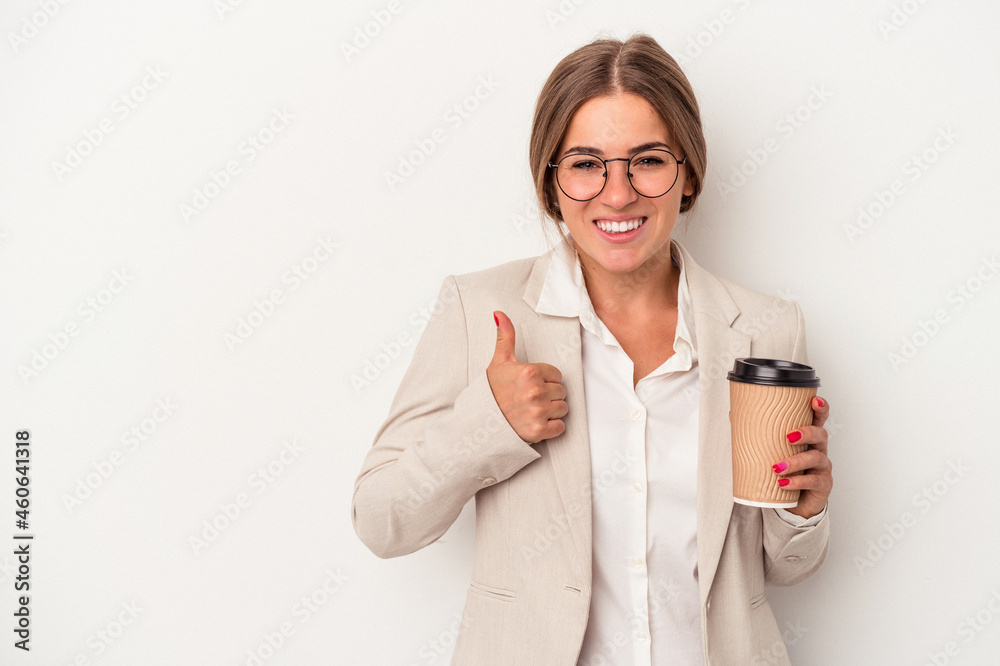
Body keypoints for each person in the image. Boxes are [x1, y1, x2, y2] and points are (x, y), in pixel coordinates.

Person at [352, 33, 832, 665]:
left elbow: (782, 568)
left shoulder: (766, 329)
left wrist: (804, 510)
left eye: (648, 160)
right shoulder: (480, 312)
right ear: (552, 185)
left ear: (687, 173)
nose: (617, 193)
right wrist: (489, 423)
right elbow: (383, 521)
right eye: (585, 164)